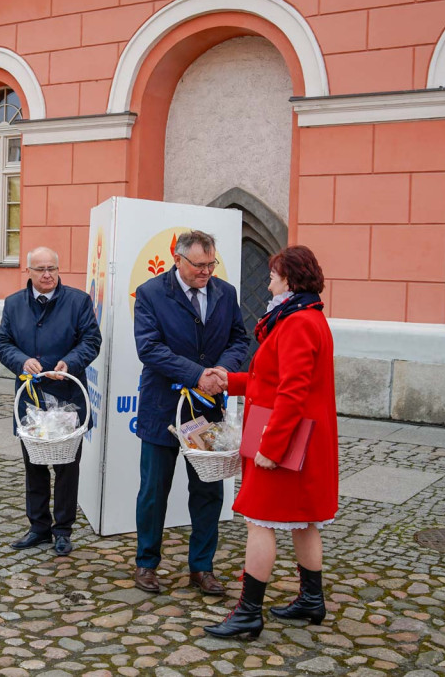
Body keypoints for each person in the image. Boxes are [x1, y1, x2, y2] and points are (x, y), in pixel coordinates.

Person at [204, 245, 338, 639]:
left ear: (290, 279)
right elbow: (274, 380)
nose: (268, 281)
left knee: (258, 522)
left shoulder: (297, 323)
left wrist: (271, 448)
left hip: (286, 443)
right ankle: (312, 600)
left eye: (273, 275)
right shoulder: (304, 317)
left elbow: (293, 392)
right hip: (304, 442)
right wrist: (232, 380)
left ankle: (248, 613)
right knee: (304, 522)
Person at [133, 230, 250, 595]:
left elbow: (239, 339)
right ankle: (146, 564)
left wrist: (220, 373)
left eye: (211, 264)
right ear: (178, 260)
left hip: (207, 411)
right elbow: (149, 348)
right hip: (163, 410)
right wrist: (196, 375)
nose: (206, 272)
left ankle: (202, 567)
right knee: (154, 490)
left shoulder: (225, 293)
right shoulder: (151, 293)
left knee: (209, 492)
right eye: (199, 265)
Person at [0, 247, 101, 556]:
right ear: (28, 271)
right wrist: (21, 361)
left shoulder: (78, 301)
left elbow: (91, 340)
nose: (47, 274)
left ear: (58, 269)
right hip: (30, 398)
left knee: (67, 466)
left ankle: (63, 530)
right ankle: (38, 527)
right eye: (40, 269)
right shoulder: (14, 304)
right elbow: (2, 343)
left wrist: (70, 362)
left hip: (68, 396)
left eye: (52, 268)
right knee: (35, 465)